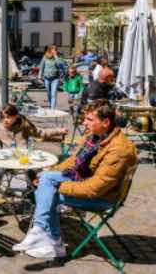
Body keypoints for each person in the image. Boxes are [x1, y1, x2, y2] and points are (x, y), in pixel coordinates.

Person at [13, 100, 137, 258]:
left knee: (51, 194)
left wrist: (58, 187)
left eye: (90, 119)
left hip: (104, 197)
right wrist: (50, 172)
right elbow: (73, 160)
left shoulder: (119, 149)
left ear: (106, 122)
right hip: (84, 179)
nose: (84, 122)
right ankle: (40, 231)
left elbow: (95, 188)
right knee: (45, 178)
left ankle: (53, 242)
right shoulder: (95, 135)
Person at [0, 104, 68, 193]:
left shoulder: (24, 125)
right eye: (3, 117)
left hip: (24, 159)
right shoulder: (1, 128)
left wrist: (59, 131)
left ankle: (33, 194)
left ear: (16, 116)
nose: (5, 120)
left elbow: (41, 133)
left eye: (8, 117)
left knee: (30, 172)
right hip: (7, 160)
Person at [38, 45, 64, 110]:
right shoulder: (45, 57)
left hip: (55, 78)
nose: (55, 50)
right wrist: (39, 76)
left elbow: (60, 64)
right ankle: (50, 105)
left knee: (53, 94)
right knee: (49, 93)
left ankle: (52, 109)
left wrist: (55, 55)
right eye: (54, 49)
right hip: (47, 78)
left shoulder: (57, 57)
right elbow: (41, 67)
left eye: (56, 49)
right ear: (50, 50)